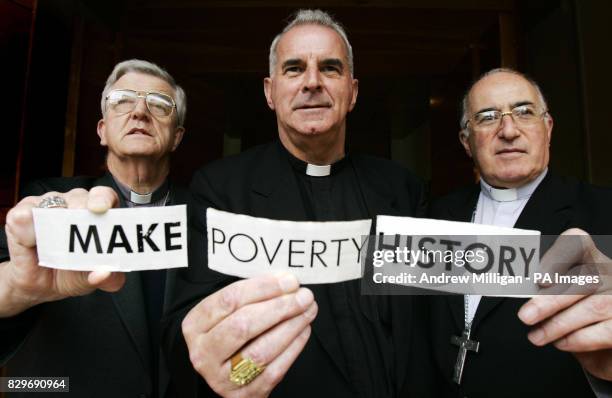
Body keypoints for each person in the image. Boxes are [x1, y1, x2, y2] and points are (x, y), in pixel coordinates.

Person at [161, 9, 426, 398]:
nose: (312, 82)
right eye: (294, 68)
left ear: (352, 93)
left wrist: (551, 275)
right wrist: (226, 368)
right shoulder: (220, 192)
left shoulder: (402, 189)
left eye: (330, 68)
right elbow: (185, 330)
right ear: (270, 92)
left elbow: (441, 311)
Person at [0, 59, 189, 397]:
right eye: (123, 101)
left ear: (177, 137)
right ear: (102, 130)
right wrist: (17, 287)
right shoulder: (46, 200)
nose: (140, 113)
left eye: (159, 104)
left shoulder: (206, 215)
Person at [423, 67, 612, 397]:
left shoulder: (603, 212)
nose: (508, 130)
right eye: (487, 117)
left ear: (548, 127)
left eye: (524, 112)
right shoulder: (436, 216)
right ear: (466, 141)